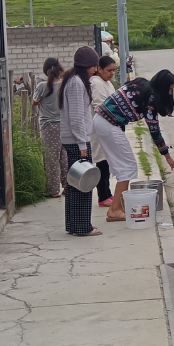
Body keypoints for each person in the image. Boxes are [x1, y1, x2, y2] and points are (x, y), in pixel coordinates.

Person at [103, 69, 174, 221]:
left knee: (124, 167)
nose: (171, 93)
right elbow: (155, 132)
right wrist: (168, 158)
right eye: (170, 89)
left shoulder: (141, 85)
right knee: (128, 167)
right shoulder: (151, 98)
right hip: (109, 124)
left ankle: (117, 207)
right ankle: (115, 210)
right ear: (163, 86)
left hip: (106, 122)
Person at [59, 46, 101, 236]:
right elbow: (76, 116)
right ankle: (83, 227)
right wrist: (83, 144)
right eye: (94, 66)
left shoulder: (73, 80)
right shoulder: (77, 83)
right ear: (88, 65)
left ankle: (73, 225)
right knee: (84, 183)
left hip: (75, 140)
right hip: (78, 142)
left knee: (75, 183)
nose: (96, 70)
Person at [32, 58, 65, 198]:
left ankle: (53, 190)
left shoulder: (42, 86)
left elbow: (34, 102)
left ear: (45, 71)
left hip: (48, 126)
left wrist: (44, 104)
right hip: (64, 125)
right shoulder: (64, 84)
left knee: (51, 158)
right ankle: (68, 186)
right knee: (65, 157)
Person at [89, 55, 118, 207]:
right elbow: (100, 106)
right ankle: (102, 196)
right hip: (99, 128)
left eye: (114, 70)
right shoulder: (96, 82)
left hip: (108, 127)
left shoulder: (107, 83)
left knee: (107, 162)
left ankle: (107, 193)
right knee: (102, 162)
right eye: (109, 70)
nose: (112, 73)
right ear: (99, 69)